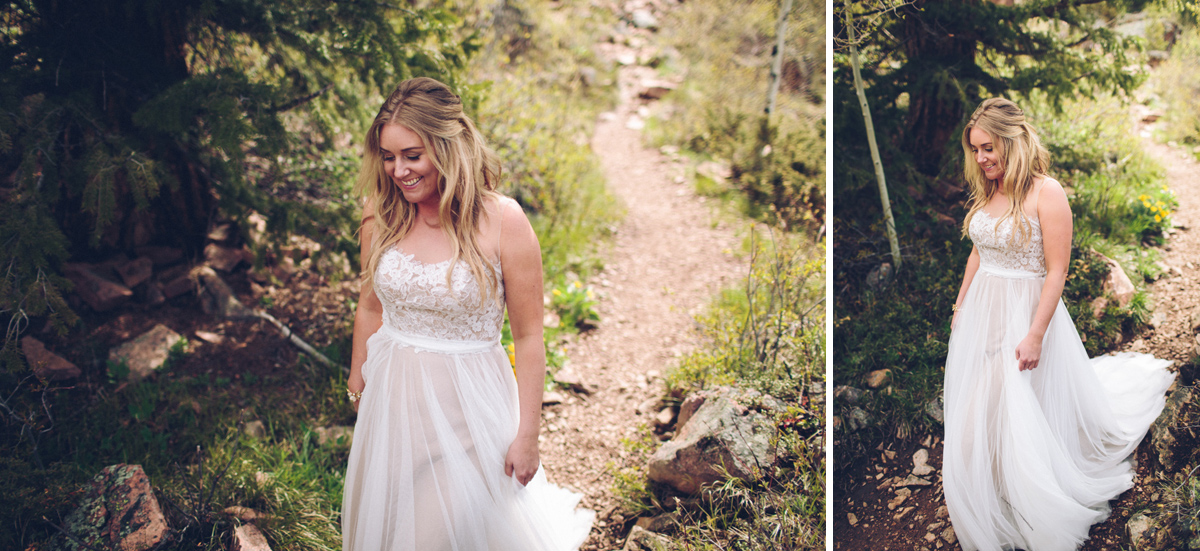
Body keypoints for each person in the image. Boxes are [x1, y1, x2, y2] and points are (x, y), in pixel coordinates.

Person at [340, 77, 595, 550]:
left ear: (447, 146)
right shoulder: (380, 214)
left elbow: (530, 337)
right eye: (388, 156)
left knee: (437, 536)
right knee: (393, 527)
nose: (398, 170)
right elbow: (370, 303)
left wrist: (528, 436)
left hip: (468, 411)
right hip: (393, 404)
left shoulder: (504, 222)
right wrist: (358, 378)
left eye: (412, 156)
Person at [943, 97, 1174, 551]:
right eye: (975, 149)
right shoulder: (991, 189)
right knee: (987, 402)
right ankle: (993, 478)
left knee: (1006, 401)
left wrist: (1034, 334)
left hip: (1025, 312)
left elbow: (1056, 271)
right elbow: (978, 250)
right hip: (983, 312)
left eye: (989, 147)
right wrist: (960, 303)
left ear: (1012, 140)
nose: (981, 158)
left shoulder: (1046, 192)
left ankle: (1025, 491)